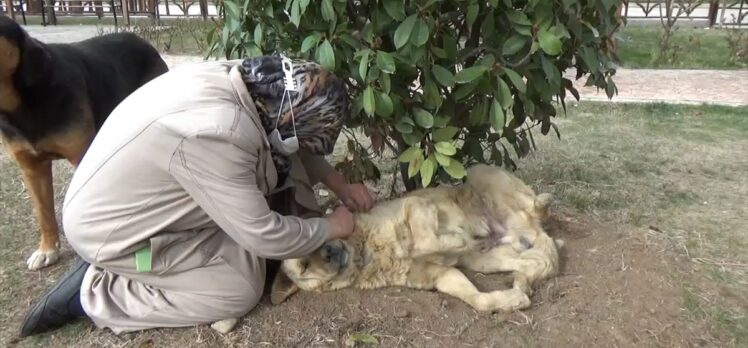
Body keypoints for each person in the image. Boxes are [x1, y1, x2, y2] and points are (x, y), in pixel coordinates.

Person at [18, 56, 375, 337]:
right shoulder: (219, 134)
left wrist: (339, 184)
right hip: (116, 233)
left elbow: (294, 141)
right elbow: (265, 236)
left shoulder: (257, 84)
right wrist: (331, 226)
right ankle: (98, 290)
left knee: (273, 206)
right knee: (238, 288)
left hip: (131, 199)